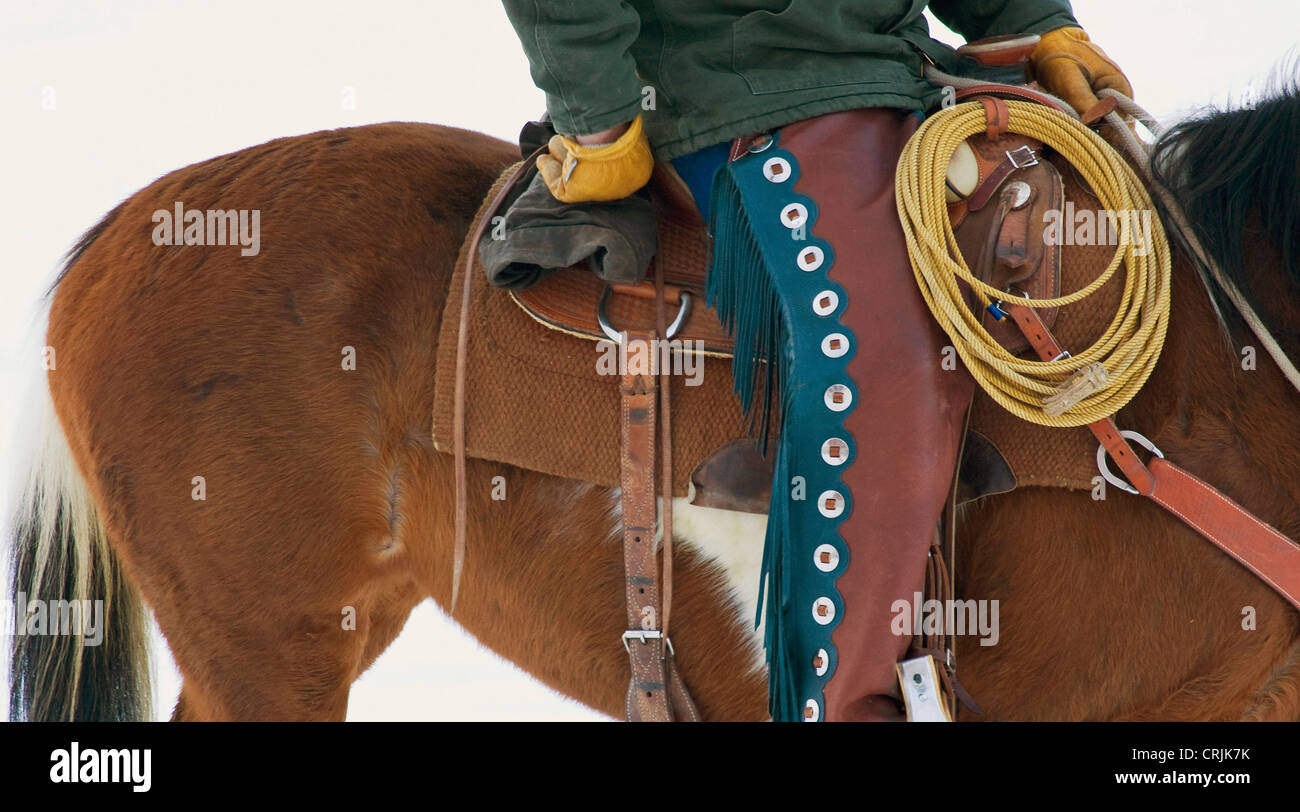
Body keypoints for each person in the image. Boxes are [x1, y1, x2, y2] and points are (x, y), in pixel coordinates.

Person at [500, 1, 1132, 721]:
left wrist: (1030, 17)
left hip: (906, 71)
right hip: (735, 81)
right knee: (885, 364)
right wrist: (598, 114)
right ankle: (844, 707)